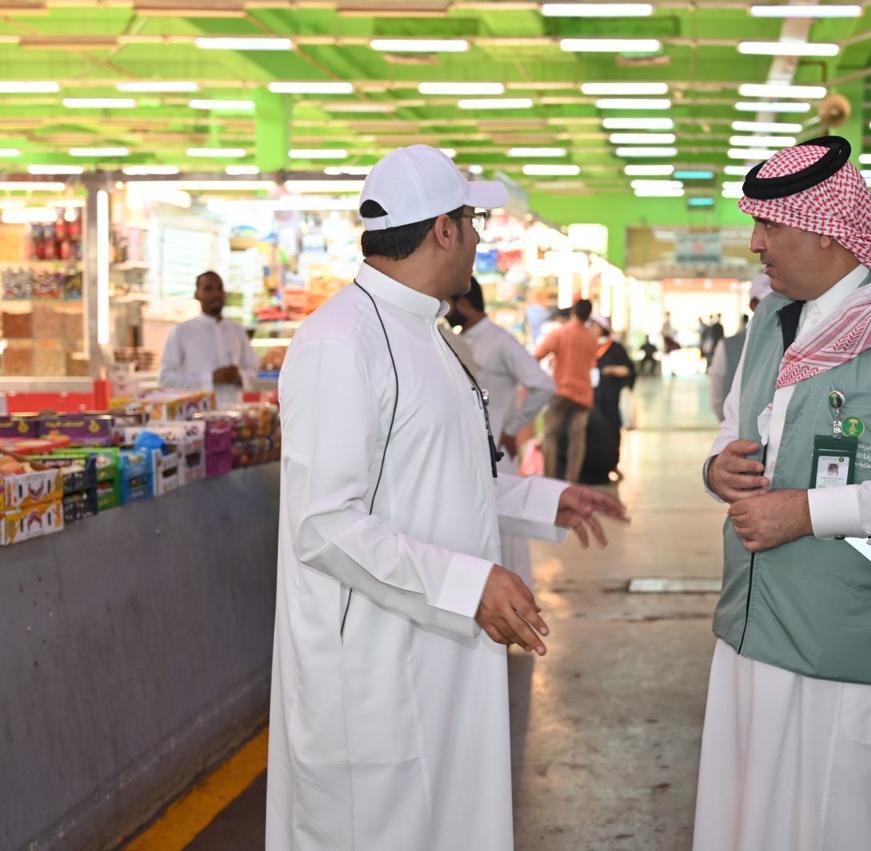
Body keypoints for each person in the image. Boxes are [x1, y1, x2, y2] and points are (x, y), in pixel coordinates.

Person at [266, 144, 628, 851]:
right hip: (373, 669)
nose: (476, 240)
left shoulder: (431, 335)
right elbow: (325, 523)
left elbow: (445, 475)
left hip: (438, 652)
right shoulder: (341, 341)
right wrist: (468, 585)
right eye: (473, 223)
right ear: (443, 230)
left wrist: (544, 500)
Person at [694, 136, 871, 851]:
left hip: (856, 644)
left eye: (769, 225)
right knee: (749, 821)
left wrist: (807, 512)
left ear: (827, 230)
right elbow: (735, 425)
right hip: (754, 631)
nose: (755, 243)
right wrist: (717, 468)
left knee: (846, 824)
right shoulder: (772, 318)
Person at [447, 277, 557, 584]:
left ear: (463, 304)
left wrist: (512, 428)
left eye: (448, 303)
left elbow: (543, 385)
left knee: (506, 542)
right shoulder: (456, 341)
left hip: (496, 455)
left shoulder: (499, 341)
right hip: (469, 458)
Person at [158, 270, 259, 406]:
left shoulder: (237, 330)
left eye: (219, 288)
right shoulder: (182, 331)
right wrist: (209, 378)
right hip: (196, 412)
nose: (215, 294)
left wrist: (239, 377)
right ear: (197, 294)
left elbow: (254, 370)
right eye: (208, 289)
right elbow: (166, 378)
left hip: (234, 411)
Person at [534, 298, 599, 483]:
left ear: (573, 312)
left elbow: (538, 355)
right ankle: (572, 480)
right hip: (584, 394)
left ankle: (550, 480)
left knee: (550, 435)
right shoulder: (591, 338)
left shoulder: (561, 333)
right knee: (577, 439)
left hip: (562, 391)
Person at [709, 274, 772, 421]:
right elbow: (719, 401)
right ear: (753, 304)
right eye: (768, 301)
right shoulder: (728, 347)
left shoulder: (796, 340)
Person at [587, 315, 636, 482]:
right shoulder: (587, 345)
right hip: (590, 399)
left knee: (611, 433)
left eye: (595, 326)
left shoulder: (615, 348)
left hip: (609, 399)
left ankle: (612, 465)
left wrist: (613, 370)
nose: (592, 329)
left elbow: (628, 370)